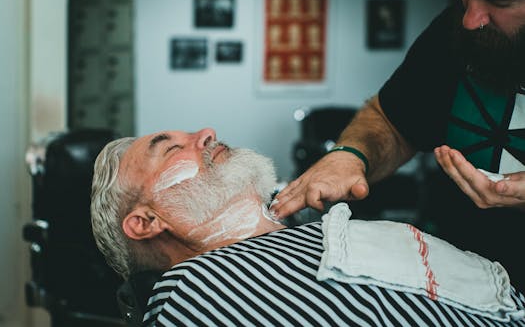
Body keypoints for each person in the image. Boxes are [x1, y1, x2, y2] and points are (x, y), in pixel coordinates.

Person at [91, 128, 525, 326]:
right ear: (146, 222)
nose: (205, 133)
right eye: (171, 149)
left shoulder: (316, 229)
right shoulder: (190, 297)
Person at [270, 0, 525, 293]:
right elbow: (391, 121)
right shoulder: (452, 29)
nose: (470, 19)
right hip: (449, 282)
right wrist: (351, 154)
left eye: (500, 3)